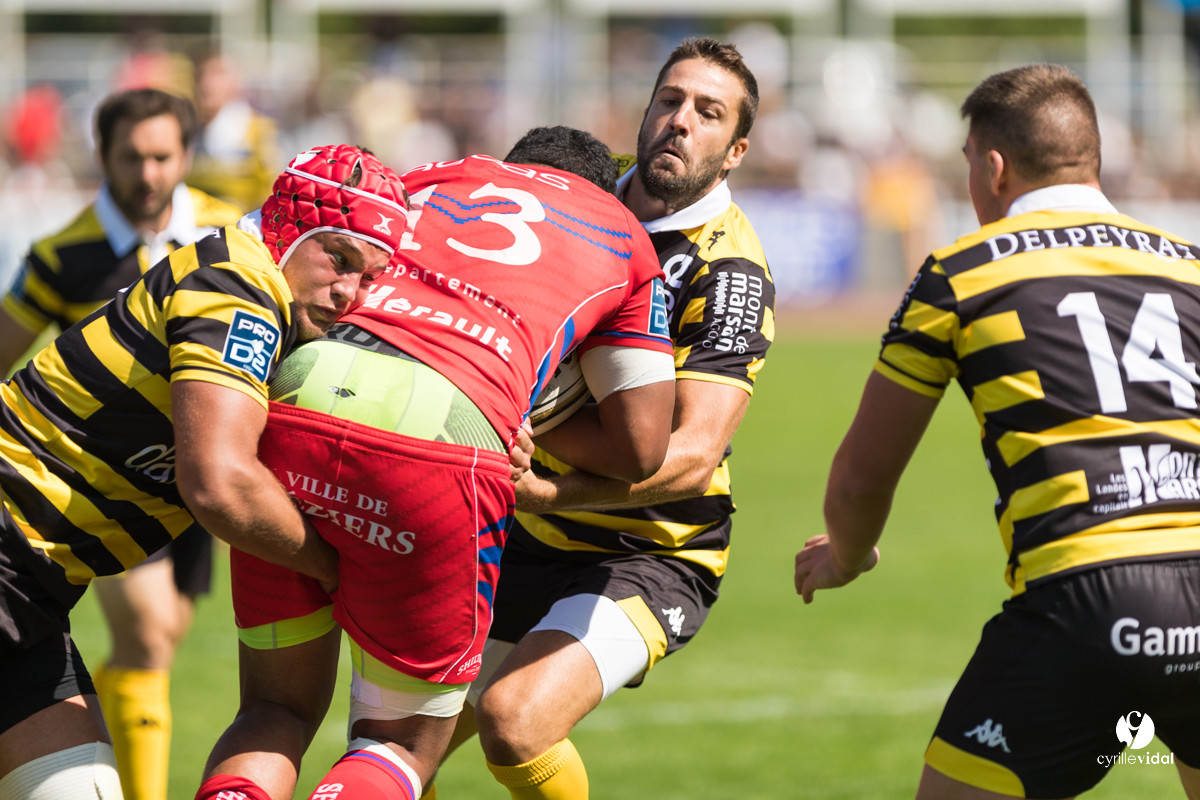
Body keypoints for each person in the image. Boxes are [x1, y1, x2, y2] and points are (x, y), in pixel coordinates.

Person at [194, 125, 677, 800]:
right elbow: (642, 448)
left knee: (274, 710)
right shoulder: (623, 232)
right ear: (602, 189)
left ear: (504, 167)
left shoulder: (434, 175)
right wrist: (534, 403)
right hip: (446, 438)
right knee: (396, 743)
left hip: (299, 399)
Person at [793, 63, 1200, 800]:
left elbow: (861, 479)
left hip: (1086, 592)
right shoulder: (1190, 268)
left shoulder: (961, 272)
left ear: (993, 166)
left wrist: (846, 559)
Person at [0, 142, 408, 800]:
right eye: (340, 258)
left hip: (34, 593)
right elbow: (220, 483)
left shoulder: (256, 285)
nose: (350, 292)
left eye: (370, 278)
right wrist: (346, 572)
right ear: (290, 228)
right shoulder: (239, 287)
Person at [431, 37, 775, 800]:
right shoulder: (576, 199)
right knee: (398, 737)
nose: (680, 122)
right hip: (519, 528)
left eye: (708, 113)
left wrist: (550, 487)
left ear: (734, 151)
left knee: (514, 722)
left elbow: (688, 457)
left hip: (648, 549)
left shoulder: (729, 272)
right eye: (670, 101)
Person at [0, 87, 245, 800]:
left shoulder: (228, 241)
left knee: (159, 640)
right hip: (100, 484)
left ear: (186, 156)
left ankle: (89, 725)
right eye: (131, 157)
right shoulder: (62, 254)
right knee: (145, 629)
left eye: (163, 156)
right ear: (102, 156)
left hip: (196, 480)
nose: (148, 175)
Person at [187, 50, 282, 212]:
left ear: (236, 81)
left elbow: (273, 190)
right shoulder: (186, 129)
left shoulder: (258, 131)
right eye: (200, 74)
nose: (206, 83)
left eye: (217, 74)